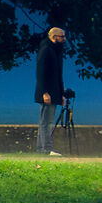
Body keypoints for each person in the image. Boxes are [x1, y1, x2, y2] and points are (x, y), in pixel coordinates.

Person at [34, 26, 68, 155]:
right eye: (62, 37)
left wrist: (61, 94)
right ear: (54, 37)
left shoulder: (55, 51)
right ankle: (46, 149)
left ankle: (42, 149)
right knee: (46, 122)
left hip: (54, 92)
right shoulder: (46, 50)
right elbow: (40, 73)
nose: (64, 39)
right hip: (47, 93)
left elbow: (58, 75)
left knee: (47, 121)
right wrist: (44, 92)